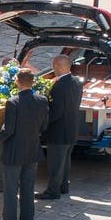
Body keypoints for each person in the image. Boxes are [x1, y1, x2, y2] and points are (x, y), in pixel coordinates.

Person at [0, 67, 48, 220]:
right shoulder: (42, 100)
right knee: (28, 188)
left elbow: (9, 131)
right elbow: (44, 126)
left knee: (10, 189)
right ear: (33, 82)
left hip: (14, 152)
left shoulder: (13, 102)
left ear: (17, 82)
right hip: (32, 149)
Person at [37, 53, 83, 200]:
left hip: (58, 131)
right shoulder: (77, 81)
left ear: (59, 67)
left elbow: (56, 111)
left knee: (55, 163)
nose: (53, 69)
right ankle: (63, 186)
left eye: (54, 66)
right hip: (71, 129)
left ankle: (53, 191)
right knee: (65, 161)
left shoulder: (59, 86)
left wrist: (42, 124)